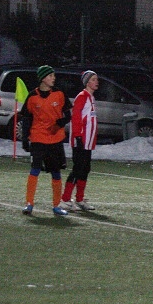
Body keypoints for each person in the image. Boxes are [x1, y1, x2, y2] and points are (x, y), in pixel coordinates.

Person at [20, 65, 71, 216]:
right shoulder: (32, 96)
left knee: (56, 172)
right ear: (42, 78)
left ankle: (56, 206)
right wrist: (25, 138)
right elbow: (27, 118)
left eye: (53, 76)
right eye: (50, 76)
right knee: (35, 169)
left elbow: (68, 114)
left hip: (55, 139)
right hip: (38, 138)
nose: (53, 78)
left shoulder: (59, 94)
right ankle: (29, 204)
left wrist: (60, 123)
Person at [61, 70, 98, 212]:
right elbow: (76, 118)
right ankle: (65, 199)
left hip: (87, 141)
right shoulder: (82, 97)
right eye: (94, 79)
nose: (96, 82)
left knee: (85, 169)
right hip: (81, 140)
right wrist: (77, 136)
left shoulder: (91, 97)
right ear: (87, 82)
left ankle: (80, 198)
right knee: (78, 169)